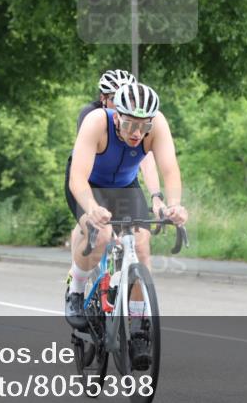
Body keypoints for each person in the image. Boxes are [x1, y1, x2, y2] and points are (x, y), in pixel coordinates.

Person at [65, 82, 188, 370]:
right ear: (117, 115)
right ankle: (76, 290)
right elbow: (77, 179)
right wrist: (92, 208)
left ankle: (138, 327)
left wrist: (174, 205)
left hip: (124, 186)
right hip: (88, 186)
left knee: (142, 246)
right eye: (130, 124)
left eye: (144, 127)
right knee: (101, 235)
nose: (136, 133)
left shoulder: (157, 125)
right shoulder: (96, 122)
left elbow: (170, 170)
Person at [64, 70, 165, 225]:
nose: (120, 103)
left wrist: (156, 196)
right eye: (114, 98)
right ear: (102, 99)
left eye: (126, 98)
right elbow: (82, 166)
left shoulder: (137, 122)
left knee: (140, 234)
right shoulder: (92, 115)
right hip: (92, 177)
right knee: (100, 231)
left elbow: (146, 160)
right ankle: (83, 232)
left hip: (122, 180)